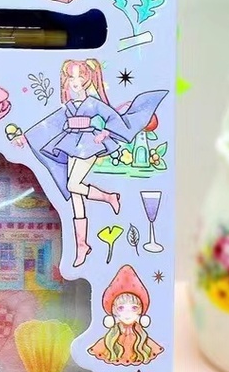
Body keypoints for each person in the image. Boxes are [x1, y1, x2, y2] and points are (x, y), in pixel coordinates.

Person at [25, 59, 166, 266]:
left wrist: (104, 132)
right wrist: (25, 136)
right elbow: (49, 124)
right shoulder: (68, 106)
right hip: (71, 142)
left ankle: (108, 197)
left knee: (73, 185)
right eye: (71, 77)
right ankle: (82, 245)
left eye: (79, 76)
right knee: (75, 196)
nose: (75, 82)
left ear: (87, 78)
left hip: (90, 144)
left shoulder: (94, 103)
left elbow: (113, 118)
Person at [88, 264, 164, 365]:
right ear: (113, 311)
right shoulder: (111, 338)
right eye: (121, 308)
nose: (127, 313)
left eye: (134, 308)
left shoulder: (143, 339)